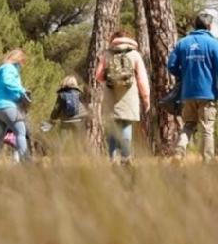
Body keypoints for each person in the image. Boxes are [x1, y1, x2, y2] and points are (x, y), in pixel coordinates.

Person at [167, 13, 218, 163]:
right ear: (210, 26)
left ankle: (179, 152)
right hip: (207, 94)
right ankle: (208, 161)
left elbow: (171, 65)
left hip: (188, 93)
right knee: (207, 128)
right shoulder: (214, 44)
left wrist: (182, 74)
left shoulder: (183, 43)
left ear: (195, 26)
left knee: (188, 125)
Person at [94, 29, 150, 164]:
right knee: (126, 125)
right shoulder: (135, 55)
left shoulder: (106, 54)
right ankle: (125, 157)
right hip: (129, 95)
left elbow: (98, 76)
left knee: (113, 127)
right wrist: (146, 98)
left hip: (111, 94)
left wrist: (111, 80)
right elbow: (142, 79)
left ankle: (112, 158)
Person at [0, 49, 31, 166]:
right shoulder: (9, 67)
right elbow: (8, 82)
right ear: (18, 59)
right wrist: (22, 91)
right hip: (7, 105)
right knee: (21, 132)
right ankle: (26, 163)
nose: (21, 66)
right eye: (22, 62)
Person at [47, 75, 89, 143]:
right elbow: (84, 105)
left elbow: (56, 108)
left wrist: (52, 118)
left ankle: (59, 153)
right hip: (78, 120)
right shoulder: (79, 93)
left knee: (61, 141)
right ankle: (80, 153)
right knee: (78, 142)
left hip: (65, 121)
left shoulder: (62, 94)